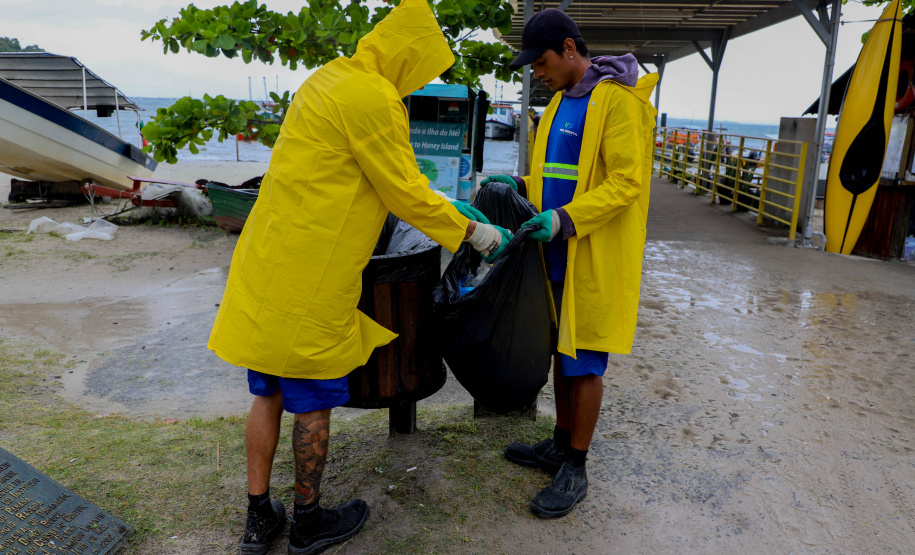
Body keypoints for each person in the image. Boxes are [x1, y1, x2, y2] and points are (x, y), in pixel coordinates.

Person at [207, 1, 512, 553]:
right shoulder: (374, 96)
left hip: (265, 262)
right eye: (419, 68)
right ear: (406, 54)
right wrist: (472, 234)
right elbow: (403, 188)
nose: (418, 80)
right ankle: (307, 520)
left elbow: (360, 172)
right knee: (313, 397)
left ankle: (258, 518)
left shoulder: (325, 80)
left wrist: (449, 209)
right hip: (311, 277)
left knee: (268, 390)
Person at [483, 9, 657, 519]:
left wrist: (564, 220)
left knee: (584, 361)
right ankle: (559, 443)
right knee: (560, 350)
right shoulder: (557, 102)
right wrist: (517, 192)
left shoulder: (617, 103)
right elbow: (549, 175)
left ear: (568, 48)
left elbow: (626, 183)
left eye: (540, 62)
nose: (537, 72)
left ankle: (576, 467)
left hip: (590, 252)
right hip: (552, 252)